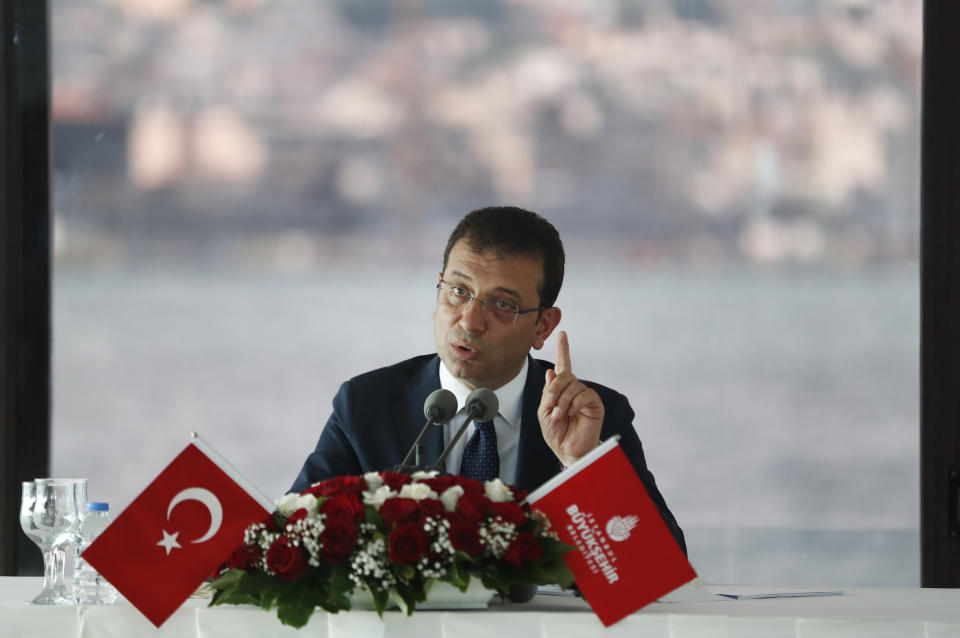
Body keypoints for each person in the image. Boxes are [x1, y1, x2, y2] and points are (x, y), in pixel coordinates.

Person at [291, 206, 686, 553]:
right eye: (458, 291)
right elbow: (289, 540)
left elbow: (660, 572)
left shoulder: (597, 415)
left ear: (542, 326)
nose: (469, 320)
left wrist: (580, 465)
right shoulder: (366, 405)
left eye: (502, 305)